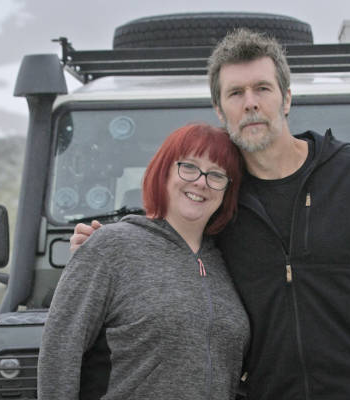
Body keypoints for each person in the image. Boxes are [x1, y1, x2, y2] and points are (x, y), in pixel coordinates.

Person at [72, 30, 350, 400]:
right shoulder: (218, 197)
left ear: (286, 99)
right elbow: (169, 232)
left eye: (262, 89)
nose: (250, 103)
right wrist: (108, 241)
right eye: (236, 93)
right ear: (220, 110)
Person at [39, 123, 249, 399]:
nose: (201, 181)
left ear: (227, 191)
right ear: (164, 172)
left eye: (216, 175)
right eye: (189, 167)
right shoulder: (110, 247)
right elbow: (60, 352)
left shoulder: (230, 262)